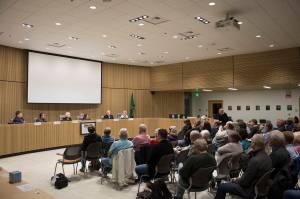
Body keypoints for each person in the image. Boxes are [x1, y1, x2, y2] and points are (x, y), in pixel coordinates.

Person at [215, 134, 272, 199]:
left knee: (222, 186)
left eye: (251, 141)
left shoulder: (255, 160)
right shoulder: (268, 157)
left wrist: (235, 181)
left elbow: (244, 182)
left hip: (249, 191)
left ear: (254, 143)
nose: (250, 142)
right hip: (258, 189)